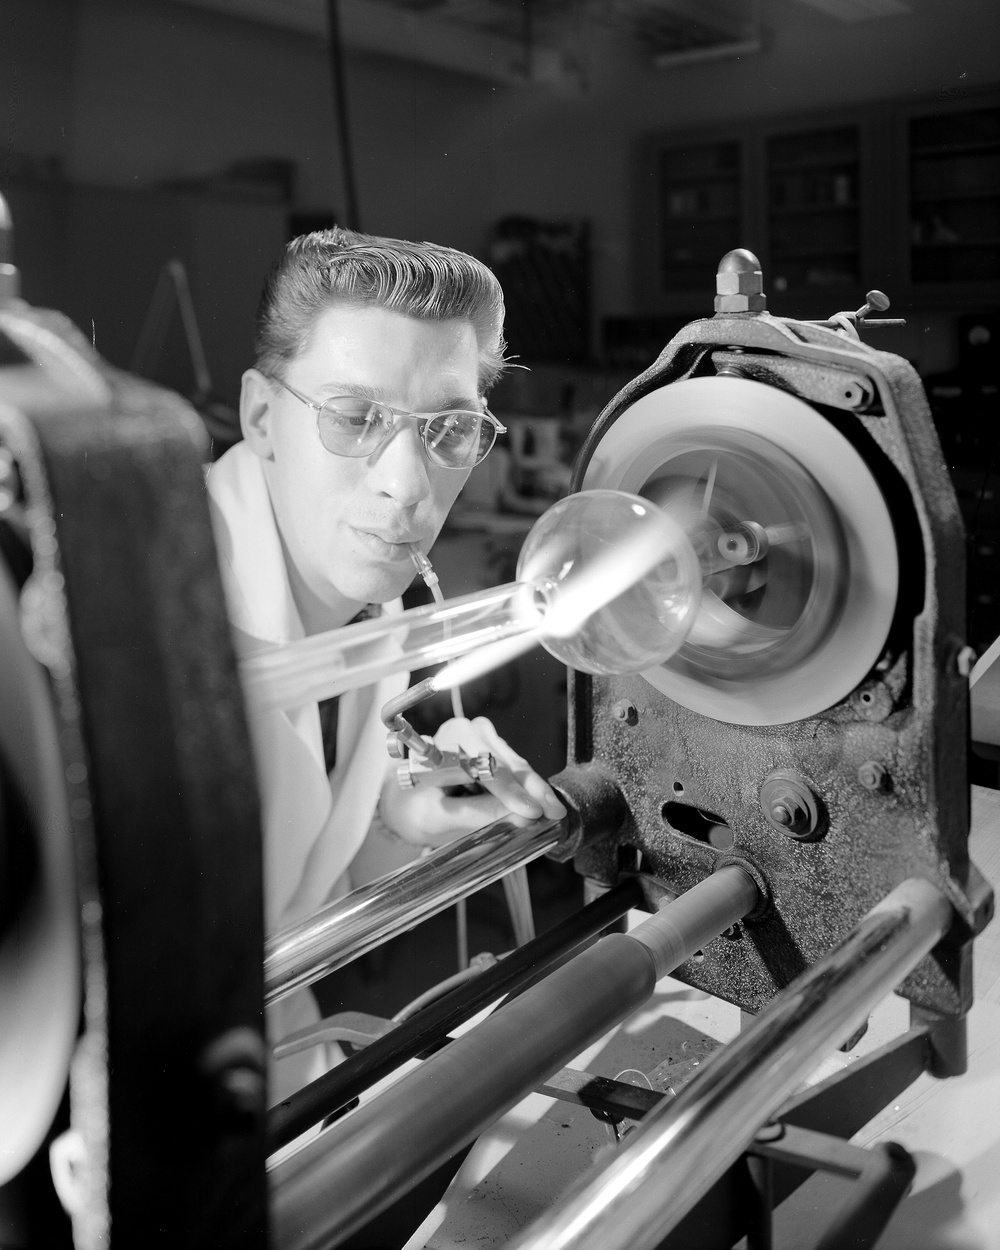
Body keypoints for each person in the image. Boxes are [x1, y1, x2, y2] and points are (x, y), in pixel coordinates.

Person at [205, 227, 567, 1099]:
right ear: (262, 418)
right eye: (356, 418)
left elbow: (294, 895)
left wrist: (402, 821)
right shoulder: (166, 623)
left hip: (275, 1072)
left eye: (447, 430)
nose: (406, 484)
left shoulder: (371, 618)